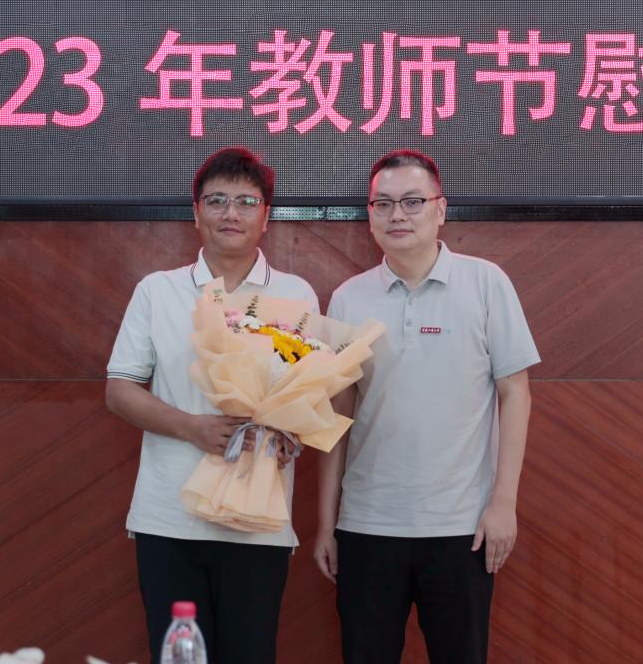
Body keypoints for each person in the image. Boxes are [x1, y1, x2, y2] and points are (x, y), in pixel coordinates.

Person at [314, 149, 540, 664]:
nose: (398, 214)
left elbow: (515, 393)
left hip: (463, 528)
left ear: (441, 209)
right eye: (383, 204)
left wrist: (504, 504)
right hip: (367, 526)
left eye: (412, 201)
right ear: (370, 214)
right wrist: (327, 523)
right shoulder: (348, 298)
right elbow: (337, 418)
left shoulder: (486, 283)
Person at [106, 147, 317, 664]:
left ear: (266, 215)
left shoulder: (295, 295)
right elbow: (120, 389)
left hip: (258, 521)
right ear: (196, 212)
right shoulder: (159, 291)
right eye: (217, 200)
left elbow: (307, 394)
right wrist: (192, 428)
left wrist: (288, 434)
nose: (231, 213)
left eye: (246, 202)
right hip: (169, 520)